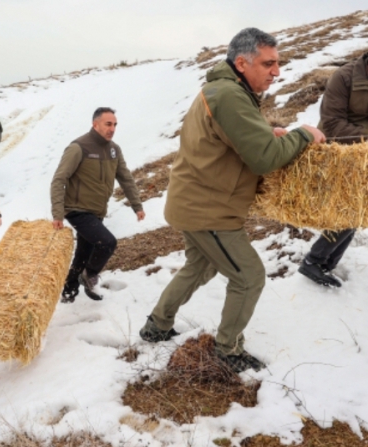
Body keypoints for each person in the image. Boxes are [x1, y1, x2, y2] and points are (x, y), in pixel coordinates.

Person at [138, 28, 326, 373]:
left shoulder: (226, 90)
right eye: (268, 63)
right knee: (249, 276)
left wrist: (265, 135)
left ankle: (156, 326)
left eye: (278, 63)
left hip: (193, 202)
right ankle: (228, 350)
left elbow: (235, 139)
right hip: (208, 212)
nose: (277, 71)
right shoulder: (229, 94)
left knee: (200, 267)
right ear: (241, 62)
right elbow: (265, 159)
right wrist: (303, 134)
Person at [50, 107, 145, 302]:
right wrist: (58, 213)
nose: (112, 128)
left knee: (84, 253)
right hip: (77, 209)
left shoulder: (113, 150)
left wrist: (137, 205)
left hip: (96, 210)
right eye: (108, 124)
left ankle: (69, 292)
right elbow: (59, 179)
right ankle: (90, 275)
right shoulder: (79, 147)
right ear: (95, 124)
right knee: (106, 242)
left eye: (115, 124)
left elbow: (126, 178)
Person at [298, 52, 368, 287]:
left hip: (365, 152)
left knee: (358, 208)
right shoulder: (344, 77)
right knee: (352, 207)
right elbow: (331, 123)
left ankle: (324, 262)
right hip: (338, 150)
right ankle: (315, 261)